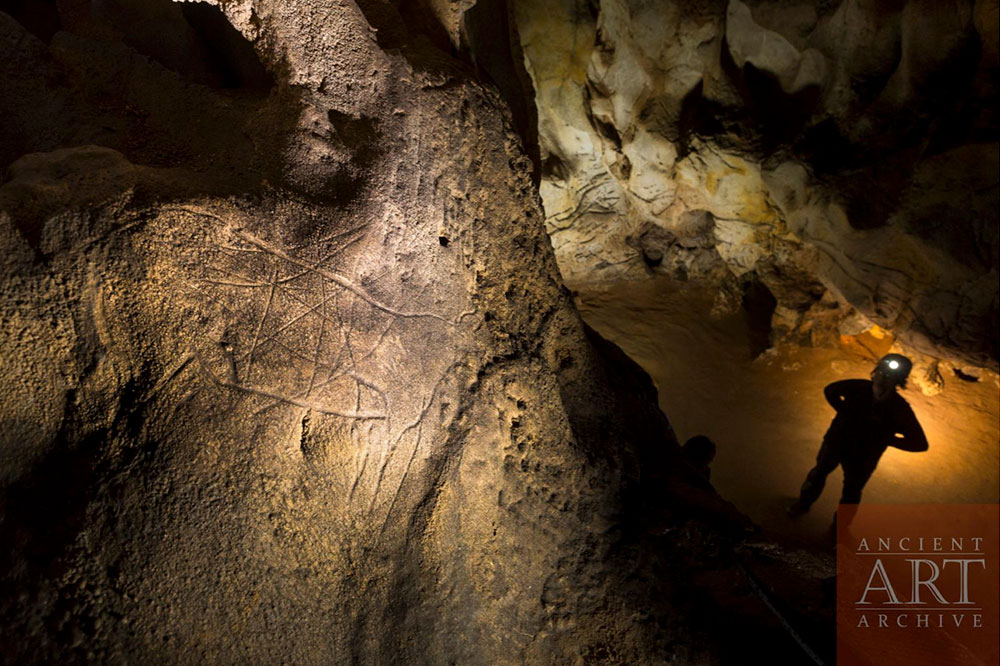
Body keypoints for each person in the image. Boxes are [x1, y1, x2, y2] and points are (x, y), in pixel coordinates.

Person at [788, 353, 928, 518]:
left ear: (898, 382)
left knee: (850, 492)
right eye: (882, 374)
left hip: (862, 454)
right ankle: (803, 505)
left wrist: (885, 438)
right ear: (875, 373)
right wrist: (844, 411)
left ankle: (838, 529)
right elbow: (830, 390)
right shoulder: (860, 388)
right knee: (819, 474)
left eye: (889, 377)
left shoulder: (899, 409)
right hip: (839, 443)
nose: (883, 379)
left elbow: (920, 444)